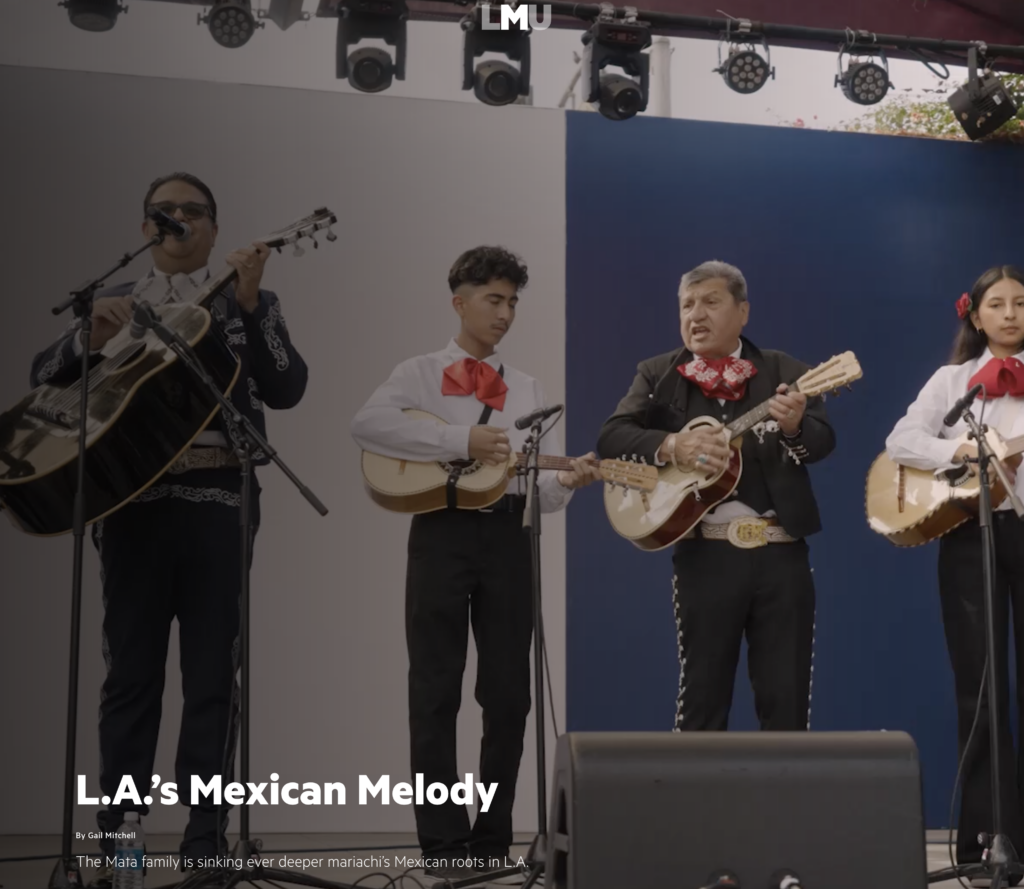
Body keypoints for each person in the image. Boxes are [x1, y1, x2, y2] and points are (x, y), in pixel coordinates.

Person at [30, 172, 308, 886]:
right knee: (130, 675)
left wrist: (246, 304)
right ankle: (120, 840)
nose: (178, 219)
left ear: (215, 229)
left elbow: (286, 385)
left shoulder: (247, 301)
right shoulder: (115, 305)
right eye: (165, 212)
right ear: (146, 227)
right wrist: (87, 339)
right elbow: (44, 379)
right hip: (131, 508)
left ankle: (205, 842)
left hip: (220, 497)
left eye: (193, 211)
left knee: (214, 673)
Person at [351, 246, 601, 883]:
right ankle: (441, 842)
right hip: (439, 530)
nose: (506, 312)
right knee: (434, 689)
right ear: (459, 301)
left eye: (513, 300)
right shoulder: (418, 372)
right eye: (494, 299)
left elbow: (534, 493)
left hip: (507, 536)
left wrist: (569, 481)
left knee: (508, 696)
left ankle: (491, 842)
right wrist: (457, 438)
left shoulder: (528, 387)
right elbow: (368, 425)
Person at [597, 260, 835, 733]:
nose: (695, 315)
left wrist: (793, 427)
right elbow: (611, 437)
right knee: (702, 703)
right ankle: (695, 808)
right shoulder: (660, 373)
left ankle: (784, 805)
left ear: (743, 311)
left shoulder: (786, 371)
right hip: (705, 554)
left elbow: (821, 444)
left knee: (786, 704)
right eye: (686, 305)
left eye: (710, 302)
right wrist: (671, 444)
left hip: (781, 554)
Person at [886, 265, 1024, 877]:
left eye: (1022, 303)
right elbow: (902, 440)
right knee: (982, 690)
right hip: (972, 534)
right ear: (976, 315)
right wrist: (964, 449)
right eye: (999, 304)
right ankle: (988, 842)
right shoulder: (953, 381)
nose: (1012, 314)